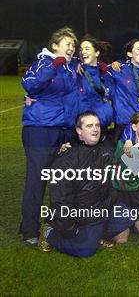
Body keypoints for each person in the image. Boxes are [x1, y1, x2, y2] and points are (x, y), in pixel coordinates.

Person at [39, 112, 133, 257]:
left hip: (103, 208)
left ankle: (97, 236)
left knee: (125, 229)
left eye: (97, 125)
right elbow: (61, 199)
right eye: (89, 126)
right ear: (79, 131)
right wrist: (68, 227)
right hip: (82, 214)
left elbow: (138, 167)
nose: (95, 129)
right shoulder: (68, 157)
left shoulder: (108, 149)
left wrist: (132, 142)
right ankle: (49, 233)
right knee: (86, 250)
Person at [20, 26, 79, 244]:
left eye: (73, 45)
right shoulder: (45, 62)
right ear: (54, 45)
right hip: (41, 130)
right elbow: (29, 84)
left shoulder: (72, 68)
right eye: (67, 44)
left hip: (64, 131)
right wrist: (54, 65)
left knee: (62, 181)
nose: (71, 48)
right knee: (37, 180)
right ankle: (29, 229)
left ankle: (56, 224)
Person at [112, 111, 139, 237]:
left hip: (138, 193)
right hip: (121, 195)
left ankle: (131, 221)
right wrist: (127, 138)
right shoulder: (125, 146)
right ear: (134, 127)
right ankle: (123, 222)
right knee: (122, 238)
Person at [108, 39, 139, 141]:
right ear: (130, 53)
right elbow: (98, 69)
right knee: (125, 155)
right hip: (124, 123)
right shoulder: (119, 69)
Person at [77, 36, 114, 132]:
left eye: (87, 48)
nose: (83, 51)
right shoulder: (77, 72)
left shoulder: (107, 74)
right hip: (85, 129)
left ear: (97, 53)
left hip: (105, 127)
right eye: (81, 49)